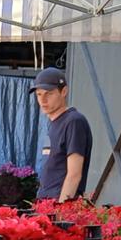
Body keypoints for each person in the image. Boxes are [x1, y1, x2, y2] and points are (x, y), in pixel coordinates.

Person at [32, 67, 93, 202]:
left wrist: (60, 210)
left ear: (64, 91)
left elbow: (74, 174)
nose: (43, 100)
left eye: (49, 93)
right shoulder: (53, 123)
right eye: (39, 94)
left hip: (58, 206)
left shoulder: (73, 121)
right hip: (45, 204)